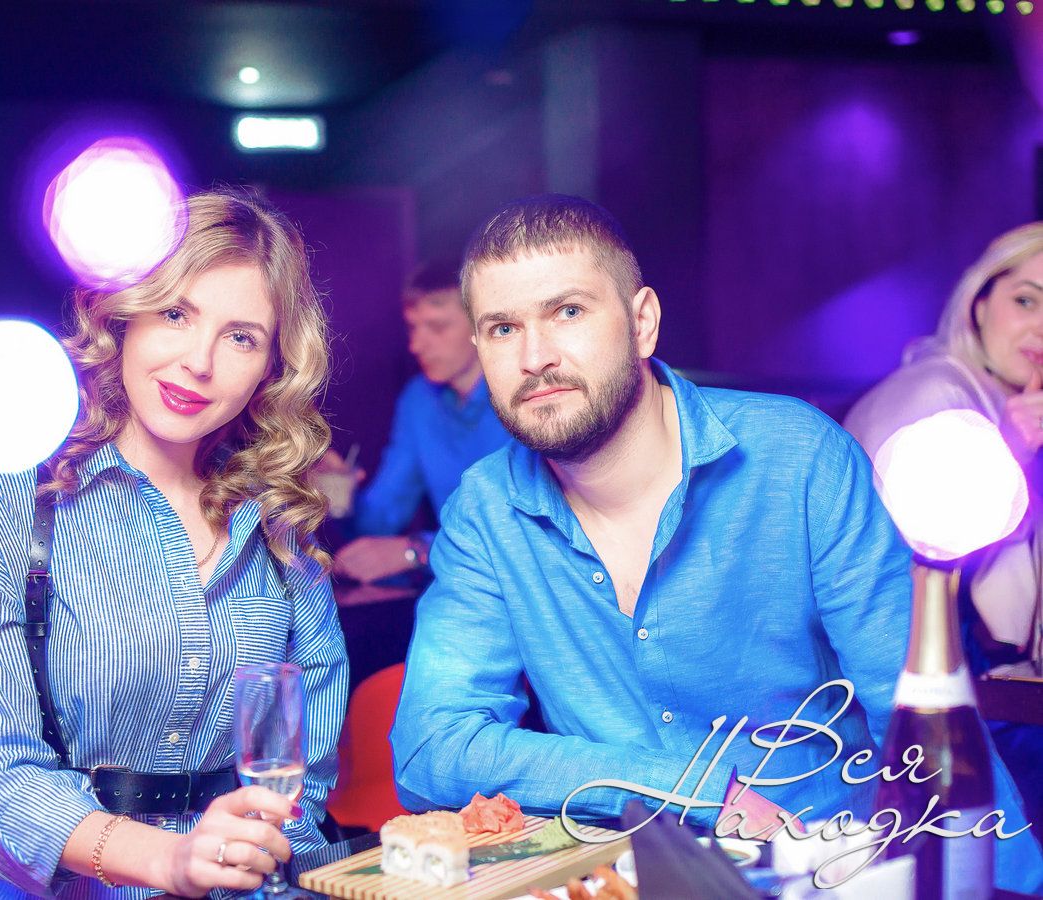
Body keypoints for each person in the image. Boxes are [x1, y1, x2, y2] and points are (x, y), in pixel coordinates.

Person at [389, 194, 1042, 893]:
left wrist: (1010, 887)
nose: (534, 357)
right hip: (621, 882)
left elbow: (919, 718)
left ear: (642, 322)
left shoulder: (799, 457)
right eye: (502, 328)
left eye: (568, 312)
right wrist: (693, 788)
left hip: (821, 875)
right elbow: (432, 746)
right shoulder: (485, 510)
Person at [0, 188, 349, 899]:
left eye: (241, 337)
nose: (199, 361)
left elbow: (301, 777)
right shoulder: (3, 507)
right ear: (123, 317)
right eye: (175, 315)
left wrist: (245, 859)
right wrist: (167, 862)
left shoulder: (281, 526)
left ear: (271, 367)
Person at [845, 222, 1043, 828]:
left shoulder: (999, 397)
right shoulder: (934, 394)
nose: (1041, 328)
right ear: (980, 303)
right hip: (916, 700)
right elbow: (909, 567)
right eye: (1027, 301)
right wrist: (1016, 451)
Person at [324, 259, 511, 583]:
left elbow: (531, 535)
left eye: (437, 327)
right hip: (463, 591)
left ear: (482, 323)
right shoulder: (419, 399)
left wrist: (417, 550)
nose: (415, 345)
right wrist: (338, 491)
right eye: (412, 328)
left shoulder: (522, 394)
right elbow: (382, 520)